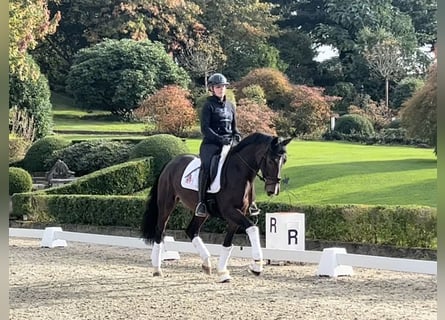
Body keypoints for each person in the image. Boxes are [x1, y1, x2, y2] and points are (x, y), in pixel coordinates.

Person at [195, 73, 259, 217]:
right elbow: (205, 129)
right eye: (218, 87)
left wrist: (237, 135)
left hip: (229, 142)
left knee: (246, 165)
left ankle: (251, 201)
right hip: (211, 144)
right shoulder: (208, 106)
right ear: (212, 88)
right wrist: (219, 139)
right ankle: (201, 202)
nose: (221, 89)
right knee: (207, 166)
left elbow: (234, 127)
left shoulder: (230, 105)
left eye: (223, 87)